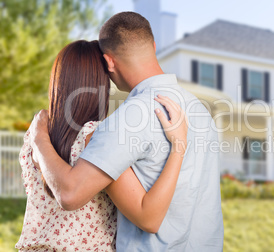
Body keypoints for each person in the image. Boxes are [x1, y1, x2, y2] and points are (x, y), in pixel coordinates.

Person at [30, 12, 224, 251]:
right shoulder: (200, 110)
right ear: (153, 45)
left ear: (109, 62)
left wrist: (39, 138)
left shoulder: (128, 118)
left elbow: (70, 194)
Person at [17, 40, 189, 251]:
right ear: (100, 85)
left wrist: (38, 138)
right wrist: (179, 147)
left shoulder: (35, 133)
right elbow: (149, 218)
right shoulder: (95, 137)